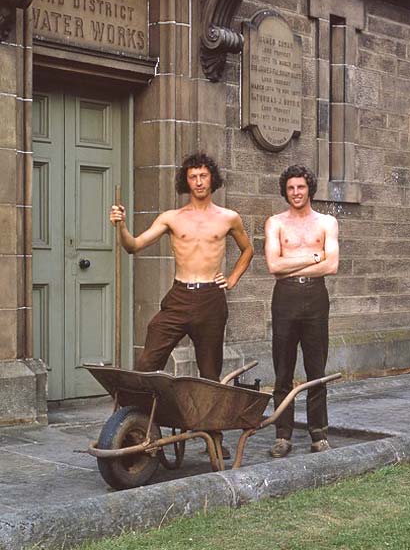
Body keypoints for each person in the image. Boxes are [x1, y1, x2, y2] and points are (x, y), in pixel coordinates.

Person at [109, 152, 254, 383]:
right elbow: (133, 246)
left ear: (211, 178)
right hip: (179, 296)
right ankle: (141, 417)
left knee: (209, 373)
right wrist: (121, 226)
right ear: (185, 181)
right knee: (147, 363)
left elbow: (248, 249)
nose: (198, 181)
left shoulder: (229, 218)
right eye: (193, 176)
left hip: (210, 298)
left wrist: (233, 278)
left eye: (203, 176)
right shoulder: (171, 218)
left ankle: (206, 419)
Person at [264, 165, 339, 458]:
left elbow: (331, 266)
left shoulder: (327, 223)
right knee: (283, 369)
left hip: (315, 297)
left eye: (301, 187)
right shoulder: (275, 223)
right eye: (291, 188)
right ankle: (283, 435)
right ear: (285, 190)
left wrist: (292, 260)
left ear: (310, 189)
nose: (296, 193)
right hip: (285, 297)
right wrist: (312, 255)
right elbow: (274, 266)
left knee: (316, 369)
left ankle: (318, 434)